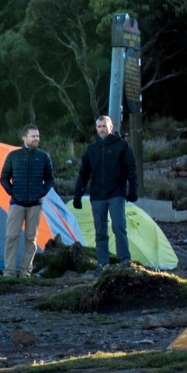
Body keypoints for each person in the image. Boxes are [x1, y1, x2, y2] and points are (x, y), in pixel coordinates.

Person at [73, 114, 138, 270]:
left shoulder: (122, 146)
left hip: (116, 193)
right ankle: (103, 263)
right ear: (96, 128)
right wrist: (78, 195)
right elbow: (84, 173)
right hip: (97, 196)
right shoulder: (91, 149)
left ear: (111, 127)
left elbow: (131, 169)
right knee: (100, 231)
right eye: (99, 126)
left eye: (104, 126)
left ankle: (124, 261)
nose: (101, 129)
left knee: (119, 227)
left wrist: (133, 190)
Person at [0, 124, 53, 279]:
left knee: (31, 238)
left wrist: (41, 193)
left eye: (37, 136)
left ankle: (25, 272)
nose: (37, 138)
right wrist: (12, 192)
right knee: (12, 236)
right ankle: (9, 272)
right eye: (33, 136)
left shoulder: (44, 156)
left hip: (35, 204)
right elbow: (4, 177)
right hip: (17, 203)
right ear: (24, 137)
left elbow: (50, 179)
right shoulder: (13, 156)